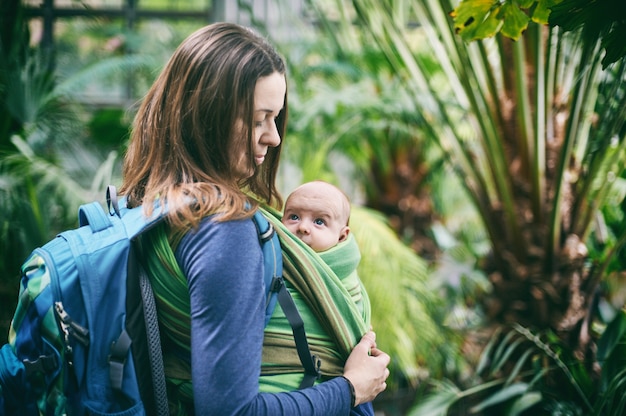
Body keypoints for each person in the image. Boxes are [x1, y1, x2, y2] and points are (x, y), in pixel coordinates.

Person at [119, 22, 390, 415]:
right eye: (259, 118)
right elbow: (233, 412)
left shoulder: (150, 203)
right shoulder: (223, 230)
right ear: (207, 114)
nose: (274, 137)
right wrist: (350, 389)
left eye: (276, 118)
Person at [281, 180, 367, 314]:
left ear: (342, 236)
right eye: (294, 217)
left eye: (319, 222)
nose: (303, 227)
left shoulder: (344, 267)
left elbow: (352, 317)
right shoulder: (272, 256)